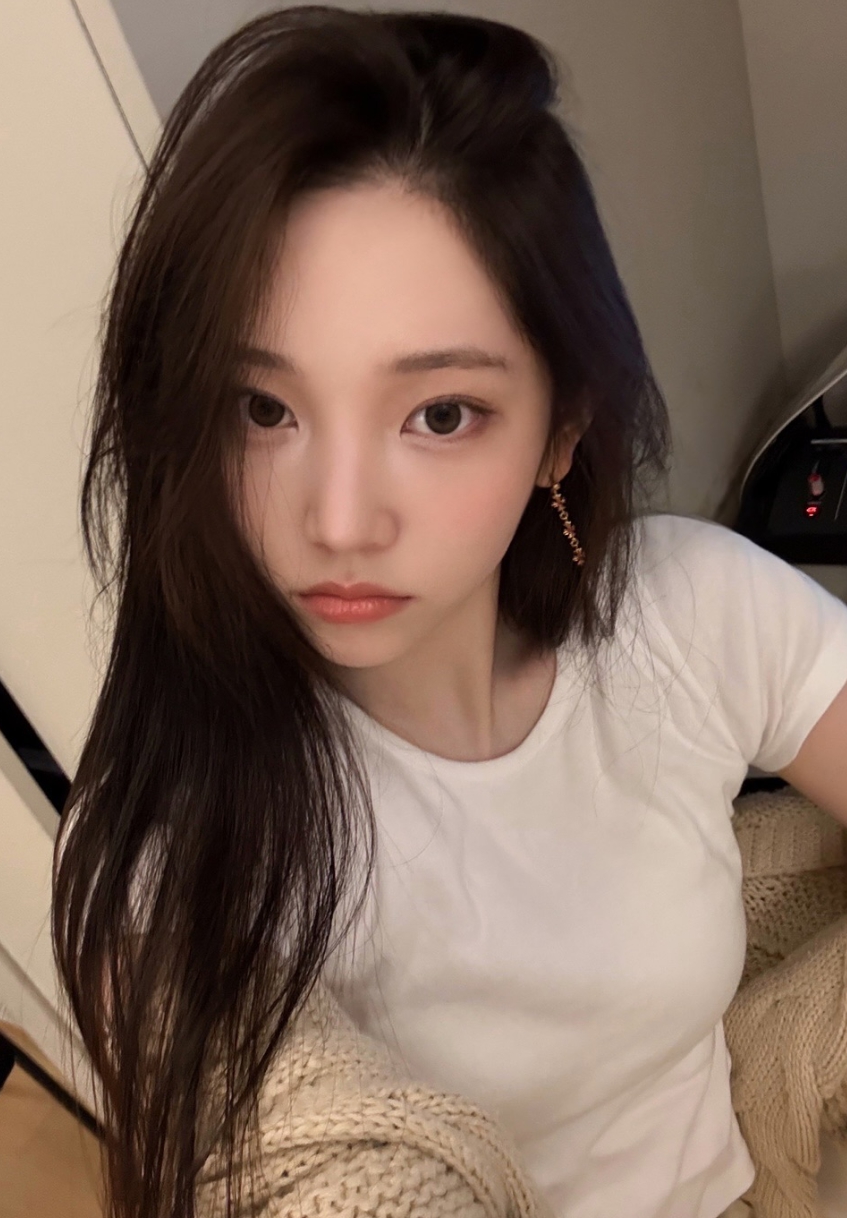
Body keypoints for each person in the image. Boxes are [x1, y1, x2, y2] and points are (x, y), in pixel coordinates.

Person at [49, 7, 847, 1218]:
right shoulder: (174, 831)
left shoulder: (689, 614)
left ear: (559, 431)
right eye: (263, 410)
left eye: (438, 415)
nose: (338, 519)